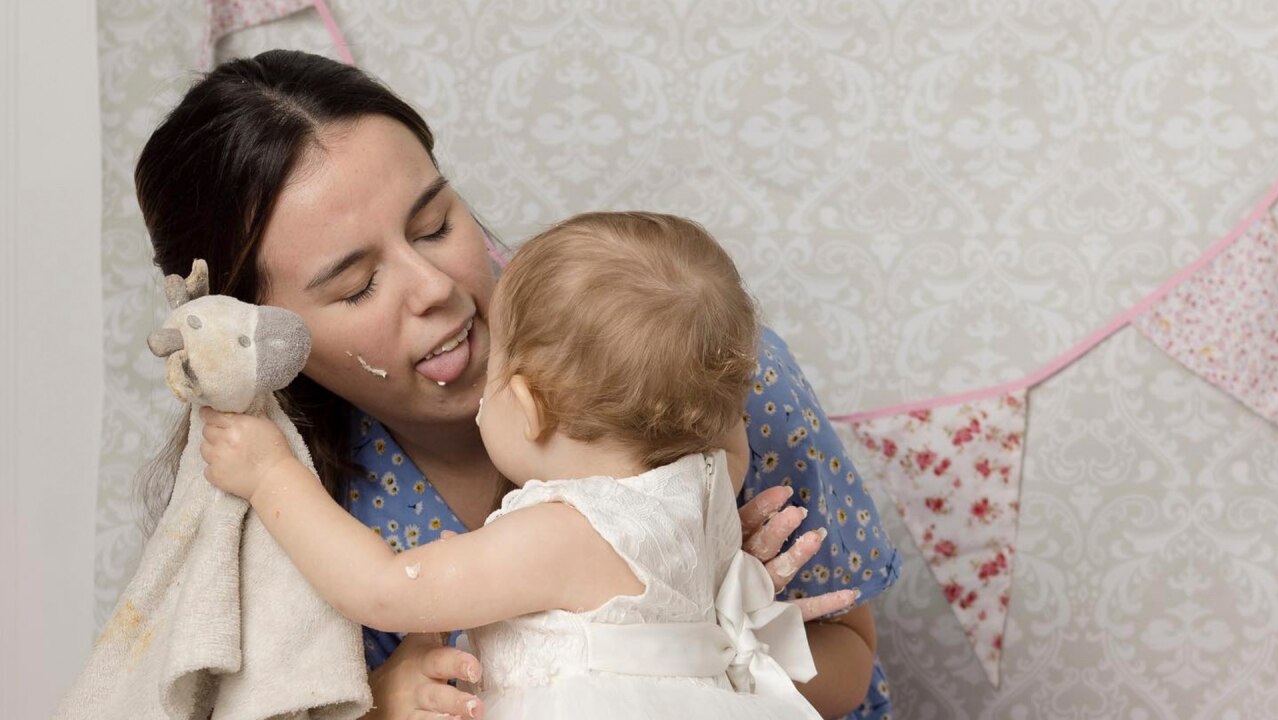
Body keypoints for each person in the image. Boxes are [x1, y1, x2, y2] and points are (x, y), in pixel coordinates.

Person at [134, 49, 900, 720]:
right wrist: (380, 709)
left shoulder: (695, 376)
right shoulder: (279, 504)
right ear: (262, 335)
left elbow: (850, 662)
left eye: (436, 225)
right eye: (359, 285)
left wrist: (717, 634)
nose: (434, 286)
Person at [201, 210, 850, 719]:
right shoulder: (714, 477)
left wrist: (270, 475)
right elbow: (722, 416)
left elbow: (388, 588)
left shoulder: (563, 533)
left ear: (526, 407)